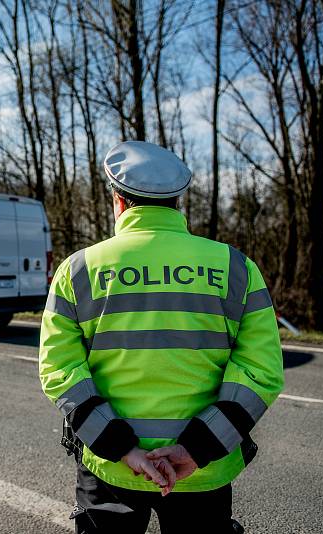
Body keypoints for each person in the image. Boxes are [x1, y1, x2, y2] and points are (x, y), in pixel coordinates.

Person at [39, 141, 284, 534]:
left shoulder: (77, 270)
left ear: (118, 201)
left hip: (111, 467)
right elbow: (261, 372)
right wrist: (194, 450)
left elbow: (59, 370)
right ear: (177, 202)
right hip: (203, 469)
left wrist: (124, 450)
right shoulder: (236, 266)